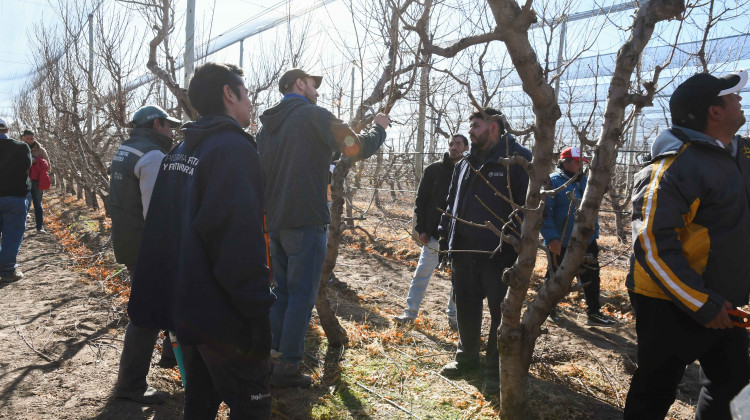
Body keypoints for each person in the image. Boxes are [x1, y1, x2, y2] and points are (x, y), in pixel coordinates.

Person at [128, 62, 275, 418]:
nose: (251, 103)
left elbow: (161, 233)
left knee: (200, 399)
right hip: (224, 313)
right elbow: (238, 240)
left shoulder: (179, 152)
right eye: (247, 93)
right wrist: (257, 310)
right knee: (251, 405)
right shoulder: (234, 149)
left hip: (188, 308)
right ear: (229, 93)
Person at [624, 70, 750, 420]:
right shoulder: (673, 167)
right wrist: (702, 303)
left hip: (723, 298)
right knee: (656, 386)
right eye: (733, 96)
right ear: (715, 111)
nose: (740, 99)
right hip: (671, 299)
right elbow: (651, 245)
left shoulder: (740, 155)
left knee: (733, 384)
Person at [257, 68, 390, 388]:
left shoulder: (267, 129)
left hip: (274, 222)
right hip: (306, 220)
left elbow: (305, 157)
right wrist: (379, 129)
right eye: (313, 85)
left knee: (282, 292)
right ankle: (289, 365)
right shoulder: (313, 114)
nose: (317, 90)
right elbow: (355, 147)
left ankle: (274, 355)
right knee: (302, 294)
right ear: (299, 84)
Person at [437, 108, 531, 395]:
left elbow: (528, 207)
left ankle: (494, 370)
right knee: (466, 307)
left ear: (493, 127)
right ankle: (466, 359)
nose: (471, 131)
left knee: (499, 314)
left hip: (498, 255)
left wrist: (513, 242)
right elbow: (451, 202)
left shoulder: (517, 159)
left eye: (476, 126)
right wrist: (445, 239)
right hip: (463, 251)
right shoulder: (464, 163)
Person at [110, 104, 181, 404]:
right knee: (147, 314)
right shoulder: (152, 157)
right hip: (147, 245)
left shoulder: (126, 149)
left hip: (128, 240)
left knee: (158, 303)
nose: (172, 131)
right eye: (169, 125)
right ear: (156, 124)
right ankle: (131, 384)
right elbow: (157, 212)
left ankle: (170, 356)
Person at [393, 134, 469, 330]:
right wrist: (421, 229)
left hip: (460, 237)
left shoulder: (470, 172)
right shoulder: (434, 170)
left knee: (459, 279)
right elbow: (421, 200)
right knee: (422, 273)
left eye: (458, 144)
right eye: (451, 144)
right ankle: (409, 313)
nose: (453, 147)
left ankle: (453, 317)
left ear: (466, 147)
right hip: (435, 234)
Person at [540, 146, 616, 327]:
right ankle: (546, 308)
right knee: (555, 276)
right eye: (576, 162)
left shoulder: (587, 182)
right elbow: (544, 214)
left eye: (582, 163)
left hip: (586, 239)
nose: (580, 166)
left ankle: (593, 312)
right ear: (565, 162)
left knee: (591, 276)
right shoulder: (553, 182)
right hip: (562, 240)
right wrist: (552, 238)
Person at [0, 118, 32, 282]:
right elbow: (28, 165)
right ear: (7, 130)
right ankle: (7, 270)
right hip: (15, 197)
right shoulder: (21, 147)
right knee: (12, 235)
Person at [20, 130, 50, 233]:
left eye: (31, 138)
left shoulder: (41, 150)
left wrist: (37, 162)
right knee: (24, 203)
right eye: (27, 139)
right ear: (23, 138)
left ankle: (40, 227)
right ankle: (21, 227)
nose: (30, 141)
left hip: (37, 180)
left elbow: (48, 165)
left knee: (38, 203)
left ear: (34, 137)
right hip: (24, 180)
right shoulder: (19, 148)